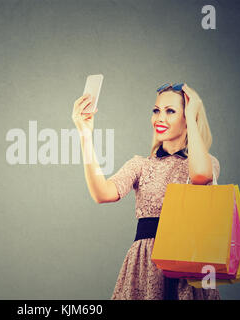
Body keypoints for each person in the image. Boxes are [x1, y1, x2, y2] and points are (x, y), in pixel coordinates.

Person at [71, 83, 221, 300]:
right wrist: (85, 135)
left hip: (189, 263)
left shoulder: (208, 163)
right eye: (156, 110)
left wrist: (192, 114)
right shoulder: (140, 165)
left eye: (170, 111)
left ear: (188, 117)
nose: (160, 118)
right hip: (146, 264)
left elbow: (199, 176)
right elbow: (102, 194)